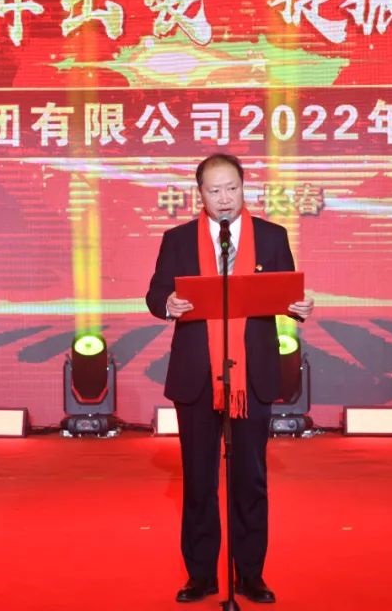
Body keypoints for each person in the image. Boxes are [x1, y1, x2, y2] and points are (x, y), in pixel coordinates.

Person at [145, 153, 314, 604]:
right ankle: (201, 575)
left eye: (232, 189)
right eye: (215, 190)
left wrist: (298, 307)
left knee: (250, 479)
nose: (225, 198)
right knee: (199, 480)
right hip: (197, 375)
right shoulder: (178, 239)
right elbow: (156, 293)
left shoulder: (272, 237)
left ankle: (250, 575)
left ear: (244, 188)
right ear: (200, 194)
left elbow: (287, 292)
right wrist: (168, 305)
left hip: (251, 376)